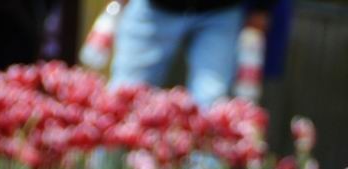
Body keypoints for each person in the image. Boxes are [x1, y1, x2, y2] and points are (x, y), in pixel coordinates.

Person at [108, 0, 270, 109]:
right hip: (154, 8)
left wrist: (261, 8)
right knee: (125, 95)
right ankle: (112, 157)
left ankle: (205, 160)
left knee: (211, 100)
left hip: (220, 11)